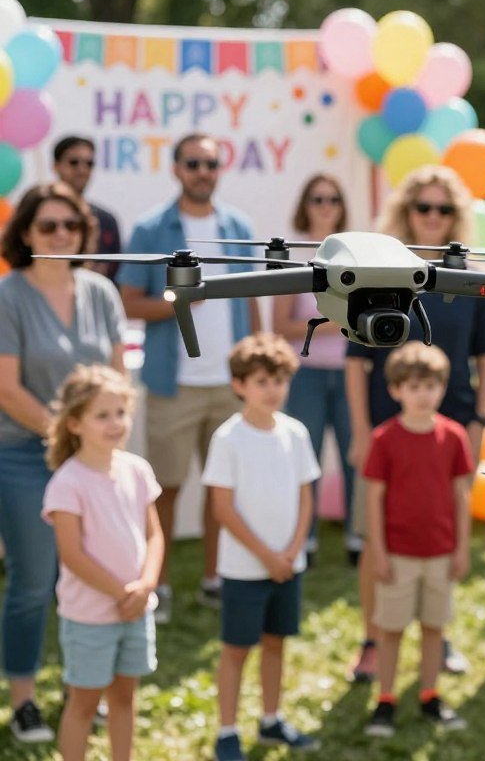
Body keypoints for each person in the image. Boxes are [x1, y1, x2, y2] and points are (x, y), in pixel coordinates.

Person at [345, 164, 485, 680]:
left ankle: (440, 636)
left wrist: (478, 419)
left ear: (456, 216)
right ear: (406, 212)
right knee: (376, 533)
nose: (433, 217)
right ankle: (372, 640)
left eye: (444, 209)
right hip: (387, 424)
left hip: (450, 422)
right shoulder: (376, 271)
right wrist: (362, 431)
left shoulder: (468, 274)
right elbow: (355, 360)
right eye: (423, 207)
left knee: (441, 531)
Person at [116, 132, 261, 624]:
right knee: (167, 490)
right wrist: (179, 302)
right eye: (194, 163)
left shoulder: (238, 225)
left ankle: (214, 580)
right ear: (176, 168)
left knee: (224, 489)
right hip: (172, 384)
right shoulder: (152, 227)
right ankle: (159, 585)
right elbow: (127, 300)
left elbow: (254, 297)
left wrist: (256, 360)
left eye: (211, 163)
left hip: (230, 383)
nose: (203, 171)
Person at [0, 183, 126, 743]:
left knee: (96, 575)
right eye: (47, 226)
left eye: (70, 226)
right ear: (25, 232)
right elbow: (6, 390)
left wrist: (99, 445)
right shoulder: (8, 295)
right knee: (34, 582)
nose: (59, 235)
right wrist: (68, 438)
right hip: (25, 454)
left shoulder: (101, 292)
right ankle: (23, 697)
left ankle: (86, 686)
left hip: (94, 457)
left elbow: (117, 380)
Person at [201, 333, 319, 761]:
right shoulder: (228, 439)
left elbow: (306, 496)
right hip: (244, 569)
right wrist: (266, 556)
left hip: (289, 565)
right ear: (239, 385)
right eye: (261, 381)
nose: (272, 389)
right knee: (236, 650)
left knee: (276, 643)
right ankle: (227, 731)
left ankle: (271, 720)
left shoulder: (296, 433)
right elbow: (223, 509)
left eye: (279, 380)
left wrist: (290, 551)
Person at [42, 365, 163, 761]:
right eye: (102, 415)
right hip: (90, 618)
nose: (115, 424)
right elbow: (72, 555)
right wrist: (121, 593)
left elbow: (154, 535)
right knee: (84, 704)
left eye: (120, 413)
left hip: (135, 610)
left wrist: (145, 586)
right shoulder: (68, 483)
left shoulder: (137, 470)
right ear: (74, 423)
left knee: (124, 698)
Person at [363, 342, 473, 737]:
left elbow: (462, 495)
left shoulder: (455, 436)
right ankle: (385, 699)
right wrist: (377, 550)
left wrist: (461, 547)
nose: (422, 394)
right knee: (391, 629)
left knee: (434, 628)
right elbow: (373, 499)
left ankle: (430, 694)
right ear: (395, 390)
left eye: (430, 385)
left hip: (441, 553)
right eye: (412, 386)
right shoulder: (384, 439)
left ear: (442, 387)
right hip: (398, 554)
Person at [273, 174, 355, 560]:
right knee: (306, 458)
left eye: (333, 199)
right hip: (305, 374)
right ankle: (304, 538)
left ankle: (358, 538)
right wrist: (336, 326)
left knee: (355, 453)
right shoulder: (291, 257)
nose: (325, 206)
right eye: (317, 199)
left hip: (349, 372)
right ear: (304, 205)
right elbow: (280, 325)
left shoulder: (356, 256)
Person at [52, 135, 123, 280]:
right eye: (74, 162)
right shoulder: (39, 216)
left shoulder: (106, 221)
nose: (82, 169)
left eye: (89, 163)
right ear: (56, 166)